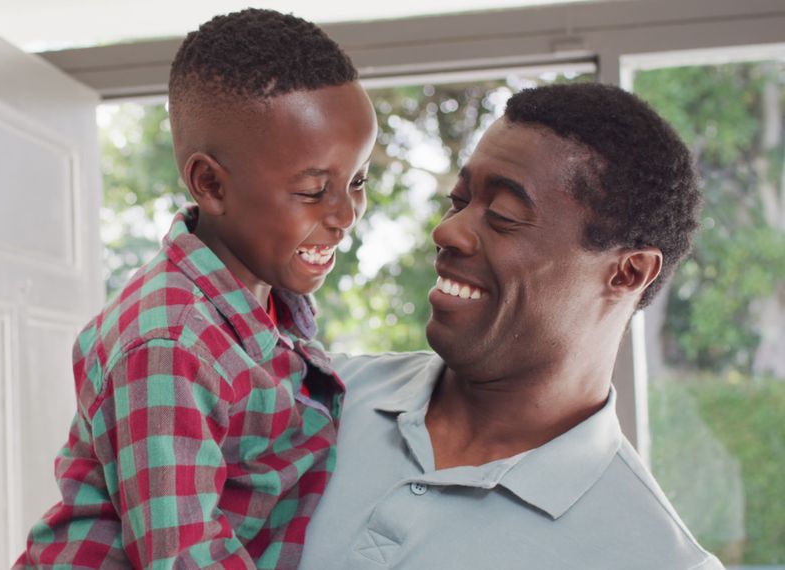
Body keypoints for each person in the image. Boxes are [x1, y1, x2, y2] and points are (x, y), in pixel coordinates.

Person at [299, 83, 725, 569]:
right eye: (459, 201)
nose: (447, 231)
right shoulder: (311, 394)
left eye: (503, 216)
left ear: (628, 273)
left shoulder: (657, 560)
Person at [16, 9, 377, 569]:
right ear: (210, 183)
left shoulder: (268, 299)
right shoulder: (168, 344)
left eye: (358, 181)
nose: (346, 214)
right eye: (312, 190)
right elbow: (184, 557)